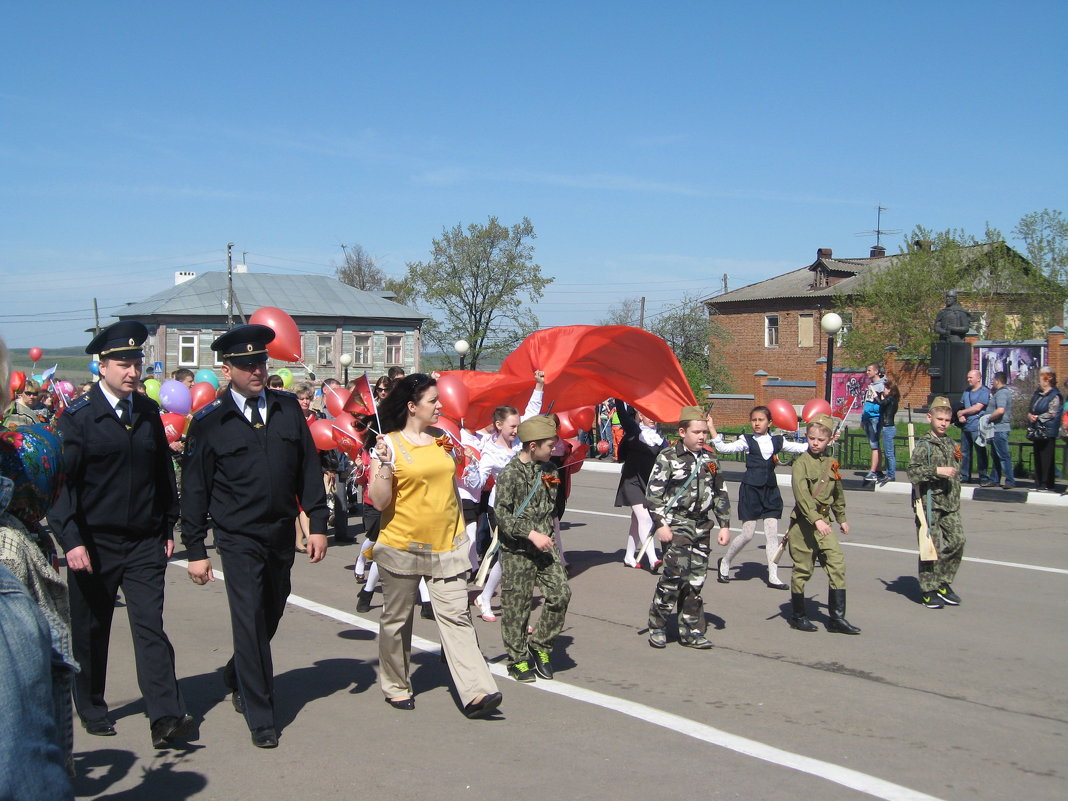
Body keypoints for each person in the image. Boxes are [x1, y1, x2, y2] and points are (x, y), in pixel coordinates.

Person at [181, 324, 329, 749]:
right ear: (226, 370)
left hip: (280, 531)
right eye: (246, 364)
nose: (256, 370)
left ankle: (236, 672)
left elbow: (307, 470)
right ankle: (260, 711)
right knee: (247, 620)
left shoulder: (286, 410)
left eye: (260, 362)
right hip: (237, 536)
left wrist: (317, 524)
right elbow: (195, 490)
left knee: (272, 608)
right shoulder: (210, 421)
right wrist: (196, 549)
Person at [48, 321, 193, 748]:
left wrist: (168, 524)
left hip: (144, 540)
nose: (132, 371)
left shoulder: (147, 412)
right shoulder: (76, 418)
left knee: (150, 625)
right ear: (103, 366)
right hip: (94, 543)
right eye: (123, 363)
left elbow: (161, 473)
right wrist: (70, 540)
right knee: (92, 629)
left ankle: (165, 715)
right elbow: (62, 486)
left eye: (136, 362)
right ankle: (91, 704)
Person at [367, 374, 501, 718]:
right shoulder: (390, 444)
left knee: (457, 617)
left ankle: (477, 691)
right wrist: (381, 463)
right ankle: (396, 685)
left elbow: (464, 480)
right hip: (401, 545)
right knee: (397, 620)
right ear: (412, 407)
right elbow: (380, 501)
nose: (440, 405)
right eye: (432, 401)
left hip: (447, 544)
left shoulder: (442, 438)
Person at [645, 407, 731, 650]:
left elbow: (720, 494)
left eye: (704, 431)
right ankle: (658, 626)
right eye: (697, 432)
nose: (702, 436)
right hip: (676, 524)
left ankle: (691, 630)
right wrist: (661, 524)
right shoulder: (668, 457)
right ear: (682, 432)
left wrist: (724, 525)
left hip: (702, 525)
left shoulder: (711, 460)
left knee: (695, 581)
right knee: (673, 577)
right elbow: (653, 496)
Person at [494, 415, 571, 682]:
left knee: (561, 594)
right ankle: (517, 659)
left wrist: (545, 535)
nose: (553, 450)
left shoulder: (550, 470)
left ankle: (540, 644)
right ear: (533, 445)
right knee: (518, 606)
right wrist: (529, 533)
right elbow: (501, 515)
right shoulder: (510, 474)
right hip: (518, 550)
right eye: (550, 445)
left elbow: (552, 507)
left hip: (545, 547)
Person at [709, 405, 808, 589]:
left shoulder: (778, 441)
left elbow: (801, 447)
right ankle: (725, 561)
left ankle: (773, 576)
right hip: (751, 490)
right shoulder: (746, 440)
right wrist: (712, 428)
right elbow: (723, 448)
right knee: (748, 534)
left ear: (769, 422)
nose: (756, 423)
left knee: (772, 535)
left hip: (770, 491)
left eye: (760, 420)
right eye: (754, 420)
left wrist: (824, 440)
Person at [785, 414, 860, 634]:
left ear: (829, 440)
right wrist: (816, 519)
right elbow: (802, 496)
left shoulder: (830, 464)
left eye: (820, 439)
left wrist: (842, 518)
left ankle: (837, 619)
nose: (815, 443)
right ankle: (798, 615)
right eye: (811, 438)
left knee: (837, 564)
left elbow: (837, 493)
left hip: (824, 523)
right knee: (803, 570)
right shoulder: (801, 463)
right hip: (804, 526)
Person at [908, 396, 965, 609]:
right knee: (931, 547)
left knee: (958, 541)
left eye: (947, 420)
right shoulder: (925, 445)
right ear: (930, 417)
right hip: (929, 503)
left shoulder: (951, 443)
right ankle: (928, 589)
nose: (943, 423)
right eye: (939, 418)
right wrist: (937, 471)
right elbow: (913, 472)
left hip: (950, 502)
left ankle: (943, 581)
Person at [613, 399, 664, 571]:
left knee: (636, 521)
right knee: (645, 518)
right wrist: (618, 396)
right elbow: (621, 414)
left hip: (648, 484)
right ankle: (653, 559)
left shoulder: (660, 439)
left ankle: (629, 555)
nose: (652, 418)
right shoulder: (634, 430)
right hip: (631, 481)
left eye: (654, 416)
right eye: (648, 415)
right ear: (640, 415)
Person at [1026, 366, 1062, 492]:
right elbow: (1032, 407)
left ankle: (1046, 483)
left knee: (1046, 457)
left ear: (1047, 380)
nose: (1039, 382)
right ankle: (1038, 482)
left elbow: (1053, 412)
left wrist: (1038, 417)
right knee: (1037, 455)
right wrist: (1030, 415)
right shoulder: (1038, 394)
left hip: (1047, 430)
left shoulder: (1054, 395)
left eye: (1041, 379)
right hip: (1037, 429)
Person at [957, 369, 990, 484]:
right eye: (968, 377)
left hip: (977, 426)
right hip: (966, 426)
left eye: (971, 377)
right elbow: (961, 407)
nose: (968, 380)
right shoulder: (966, 391)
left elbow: (978, 407)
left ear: (978, 378)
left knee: (980, 452)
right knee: (965, 452)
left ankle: (983, 476)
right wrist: (960, 414)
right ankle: (965, 475)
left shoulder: (984, 391)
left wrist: (963, 412)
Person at [986, 372, 1015, 489]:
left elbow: (1000, 410)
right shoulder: (999, 393)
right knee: (996, 455)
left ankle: (1010, 480)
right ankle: (994, 479)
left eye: (993, 380)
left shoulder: (1002, 393)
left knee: (1003, 455)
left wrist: (988, 418)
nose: (992, 382)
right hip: (996, 429)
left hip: (1000, 428)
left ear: (997, 380)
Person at [860, 363, 884, 481]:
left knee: (874, 445)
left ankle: (873, 471)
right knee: (874, 445)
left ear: (876, 371)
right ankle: (878, 469)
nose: (867, 372)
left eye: (869, 370)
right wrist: (863, 418)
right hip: (868, 418)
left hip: (875, 418)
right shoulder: (871, 385)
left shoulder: (882, 386)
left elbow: (882, 404)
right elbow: (867, 403)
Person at [878, 377, 900, 485]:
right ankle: (888, 474)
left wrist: (874, 393)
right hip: (886, 427)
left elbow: (881, 404)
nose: (884, 390)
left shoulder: (891, 399)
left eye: (886, 388)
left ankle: (891, 475)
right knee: (887, 452)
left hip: (888, 427)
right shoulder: (891, 399)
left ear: (891, 390)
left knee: (889, 453)